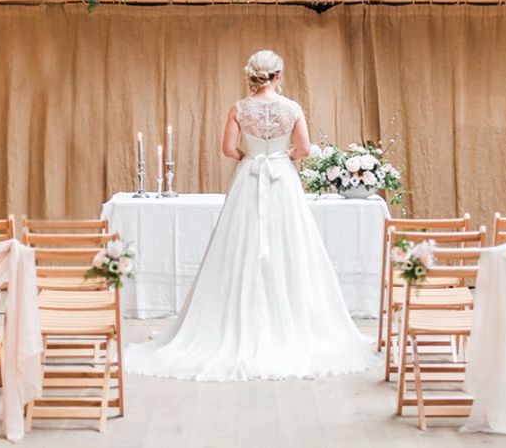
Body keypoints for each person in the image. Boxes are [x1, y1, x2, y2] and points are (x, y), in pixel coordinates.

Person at [124, 49, 378, 380]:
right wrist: (282, 155)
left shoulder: (239, 108)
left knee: (238, 246)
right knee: (290, 246)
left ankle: (229, 322)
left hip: (249, 178)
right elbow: (303, 149)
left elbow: (227, 149)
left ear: (253, 76)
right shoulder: (292, 109)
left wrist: (249, 155)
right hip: (282, 179)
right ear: (279, 76)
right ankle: (292, 321)